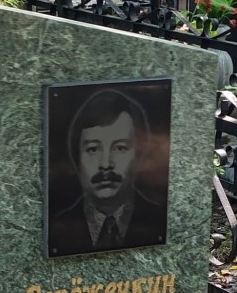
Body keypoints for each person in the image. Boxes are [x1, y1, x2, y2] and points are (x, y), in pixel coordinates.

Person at [47, 88, 167, 257]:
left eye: (120, 148)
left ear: (139, 156)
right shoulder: (56, 229)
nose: (105, 164)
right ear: (77, 157)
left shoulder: (159, 220)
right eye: (93, 149)